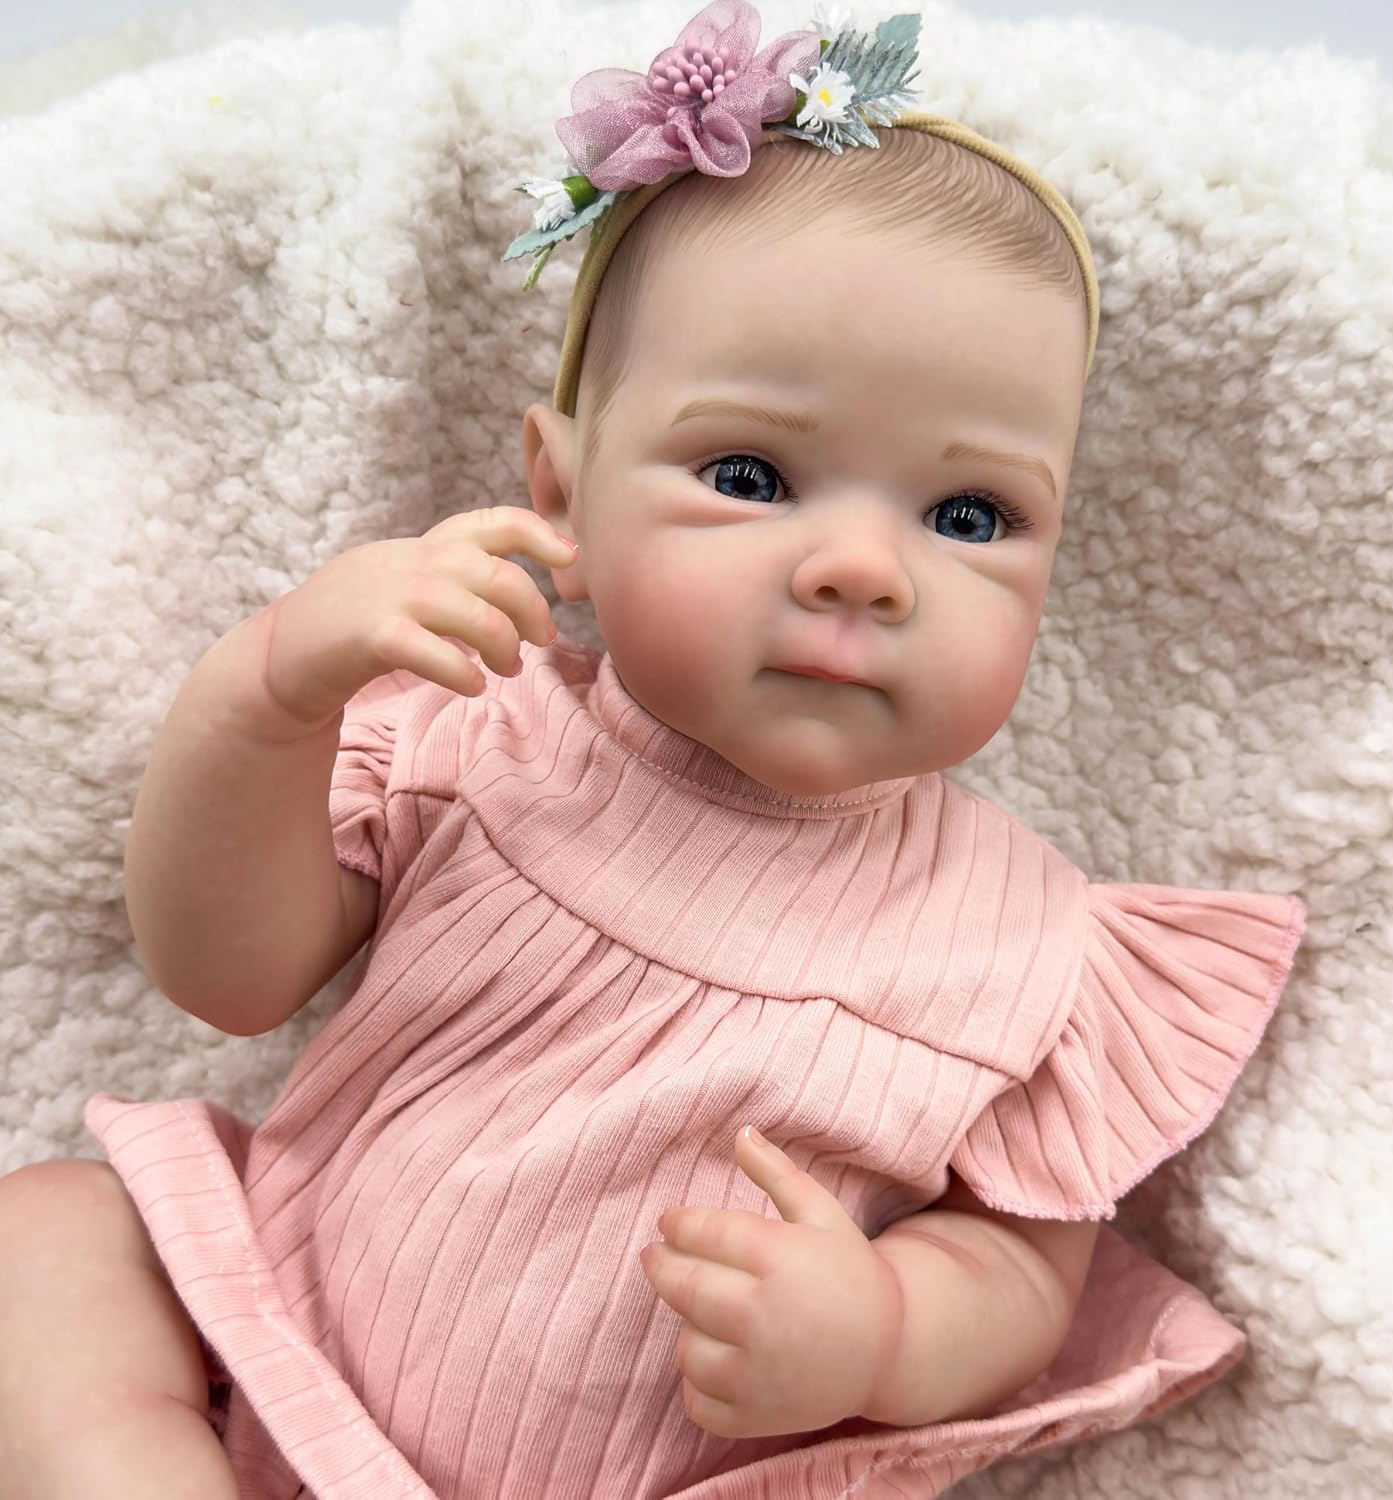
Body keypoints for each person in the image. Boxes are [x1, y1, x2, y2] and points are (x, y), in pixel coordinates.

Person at [0, 5, 1306, 1497]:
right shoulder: (482, 733)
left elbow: (1022, 1274)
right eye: (751, 475)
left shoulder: (1029, 952)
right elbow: (226, 976)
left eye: (970, 517)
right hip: (274, 1348)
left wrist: (883, 1331)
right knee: (55, 1230)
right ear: (561, 494)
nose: (862, 571)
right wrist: (269, 694)